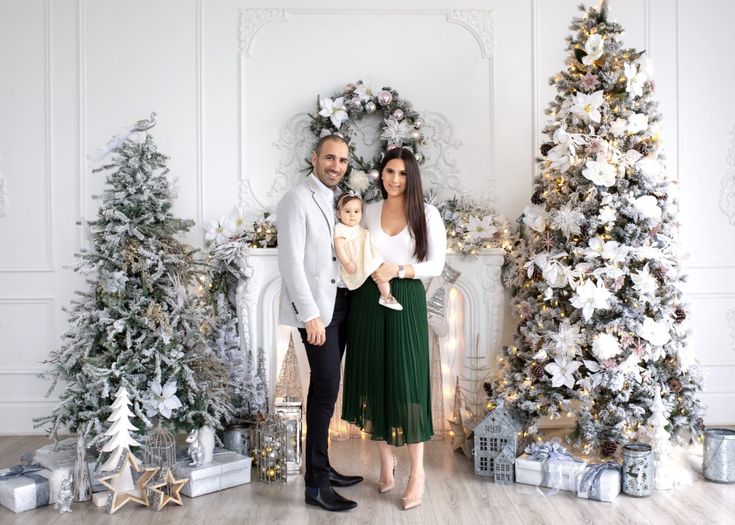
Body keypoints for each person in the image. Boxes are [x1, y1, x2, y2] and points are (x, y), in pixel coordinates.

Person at [341, 147, 447, 510]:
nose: (395, 179)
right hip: (368, 300)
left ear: (411, 176)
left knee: (408, 381)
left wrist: (398, 270)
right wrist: (368, 269)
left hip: (407, 298)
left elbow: (436, 263)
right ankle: (386, 462)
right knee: (374, 378)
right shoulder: (368, 210)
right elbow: (353, 246)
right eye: (389, 171)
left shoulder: (427, 213)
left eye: (402, 173)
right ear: (380, 174)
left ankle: (418, 471)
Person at [276, 134, 363, 512]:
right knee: (325, 387)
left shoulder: (339, 199)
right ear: (314, 159)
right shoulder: (296, 199)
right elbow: (291, 262)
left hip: (341, 302)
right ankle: (315, 485)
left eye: (343, 161)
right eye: (330, 158)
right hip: (317, 311)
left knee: (330, 387)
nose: (336, 166)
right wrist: (309, 314)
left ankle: (323, 467)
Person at [333, 191, 403, 311]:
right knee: (378, 271)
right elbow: (338, 247)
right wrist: (346, 262)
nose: (352, 215)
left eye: (356, 211)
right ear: (338, 214)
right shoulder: (340, 229)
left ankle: (386, 296)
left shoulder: (358, 227)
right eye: (347, 211)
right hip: (357, 259)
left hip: (366, 255)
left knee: (382, 269)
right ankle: (387, 297)